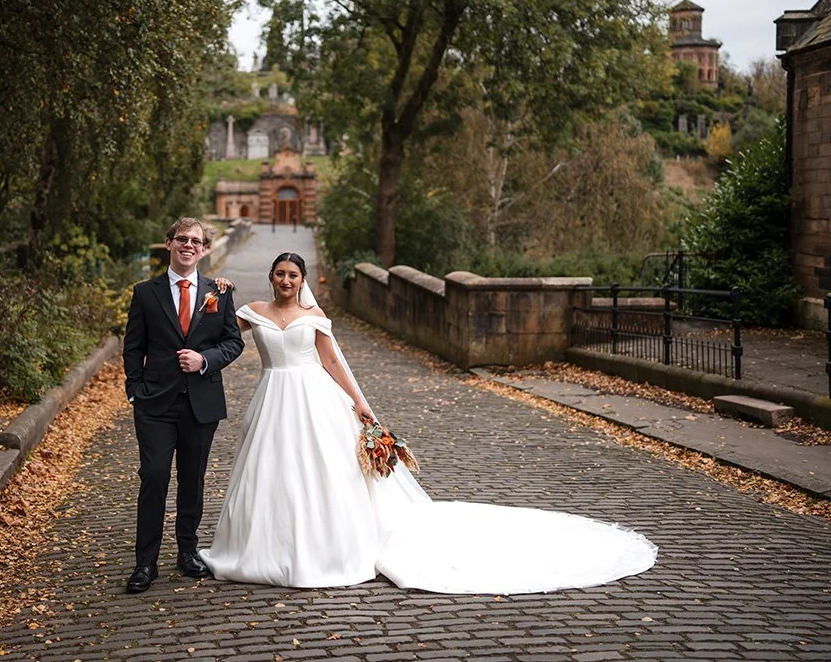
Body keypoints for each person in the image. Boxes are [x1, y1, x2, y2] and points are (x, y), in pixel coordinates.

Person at [199, 252, 657, 593]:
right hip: (271, 397)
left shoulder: (314, 315)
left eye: (292, 275)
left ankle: (323, 549)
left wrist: (361, 405)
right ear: (271, 278)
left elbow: (331, 362)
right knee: (270, 472)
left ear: (302, 281)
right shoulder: (253, 311)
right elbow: (215, 332)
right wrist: (215, 294)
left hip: (313, 398)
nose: (285, 281)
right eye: (279, 275)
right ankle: (264, 548)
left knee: (319, 472)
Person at [122, 218, 245, 594]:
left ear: (204, 249)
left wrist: (205, 360)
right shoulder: (145, 292)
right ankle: (145, 563)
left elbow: (233, 342)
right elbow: (133, 346)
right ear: (169, 243)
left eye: (196, 241)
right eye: (182, 239)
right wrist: (134, 390)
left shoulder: (218, 292)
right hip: (155, 404)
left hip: (201, 404)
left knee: (192, 481)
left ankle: (188, 552)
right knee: (155, 476)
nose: (188, 245)